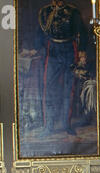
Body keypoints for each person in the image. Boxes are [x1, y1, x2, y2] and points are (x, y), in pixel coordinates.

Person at [37, 0, 87, 137]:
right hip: (52, 50)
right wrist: (38, 49)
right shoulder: (45, 12)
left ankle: (66, 124)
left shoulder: (73, 11)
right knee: (49, 89)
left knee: (68, 88)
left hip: (69, 50)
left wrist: (82, 52)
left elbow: (81, 32)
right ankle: (48, 126)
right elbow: (40, 34)